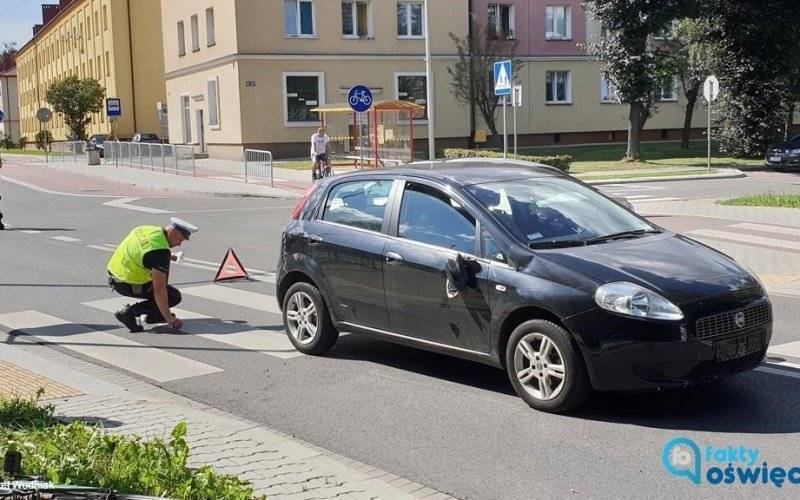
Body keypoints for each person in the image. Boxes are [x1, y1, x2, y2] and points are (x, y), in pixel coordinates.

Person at [107, 218, 198, 332]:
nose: (179, 244)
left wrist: (170, 257)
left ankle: (155, 316)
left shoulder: (146, 229)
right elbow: (159, 290)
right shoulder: (160, 253)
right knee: (173, 296)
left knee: (163, 292)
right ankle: (129, 313)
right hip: (129, 283)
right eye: (180, 239)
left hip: (116, 273)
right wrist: (170, 319)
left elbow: (144, 251)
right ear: (173, 232)